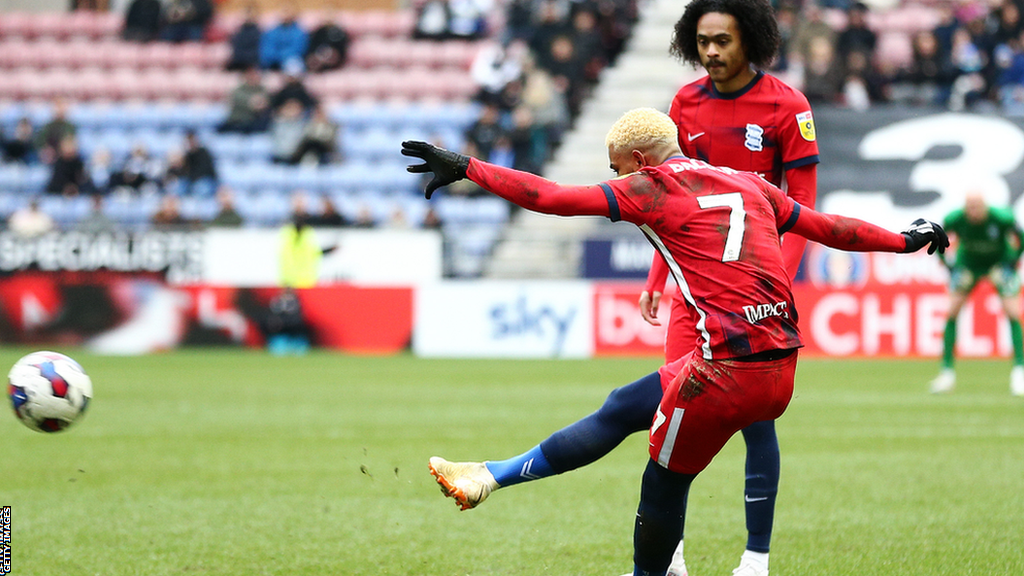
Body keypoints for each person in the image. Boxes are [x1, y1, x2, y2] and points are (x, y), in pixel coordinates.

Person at [403, 107, 947, 576]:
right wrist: (904, 240)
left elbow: (550, 197)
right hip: (780, 366)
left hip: (727, 373)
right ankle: (489, 475)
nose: (613, 177)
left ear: (639, 161)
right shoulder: (747, 181)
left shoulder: (652, 186)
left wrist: (468, 167)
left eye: (615, 167)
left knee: (662, 483)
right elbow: (829, 227)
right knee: (625, 406)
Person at [640, 1, 822, 573]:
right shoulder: (683, 105)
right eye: (703, 41)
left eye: (723, 40)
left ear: (752, 41)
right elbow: (664, 201)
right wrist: (655, 275)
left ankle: (755, 558)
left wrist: (776, 282)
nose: (712, 51)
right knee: (672, 415)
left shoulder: (788, 106)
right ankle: (673, 559)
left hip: (757, 297)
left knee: (755, 420)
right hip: (690, 293)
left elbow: (804, 206)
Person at [930, 190, 1024, 396]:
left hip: (998, 263)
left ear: (985, 206)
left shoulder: (1002, 217)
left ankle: (1020, 372)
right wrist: (949, 265)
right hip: (968, 265)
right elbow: (936, 238)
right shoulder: (955, 218)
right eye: (969, 206)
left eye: (977, 206)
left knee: (1013, 313)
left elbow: (1021, 236)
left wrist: (1013, 261)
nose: (973, 211)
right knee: (952, 312)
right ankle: (946, 373)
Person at [217, 66, 271, 134]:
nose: (254, 77)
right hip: (237, 124)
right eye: (251, 75)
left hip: (256, 125)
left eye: (256, 74)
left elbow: (265, 103)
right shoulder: (238, 91)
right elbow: (254, 104)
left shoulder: (263, 89)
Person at [260, 4, 308, 71]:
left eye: (288, 12)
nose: (285, 15)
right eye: (284, 12)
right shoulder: (271, 32)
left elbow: (298, 50)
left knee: (294, 66)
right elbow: (267, 49)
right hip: (272, 63)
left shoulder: (299, 32)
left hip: (291, 61)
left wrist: (281, 57)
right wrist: (274, 58)